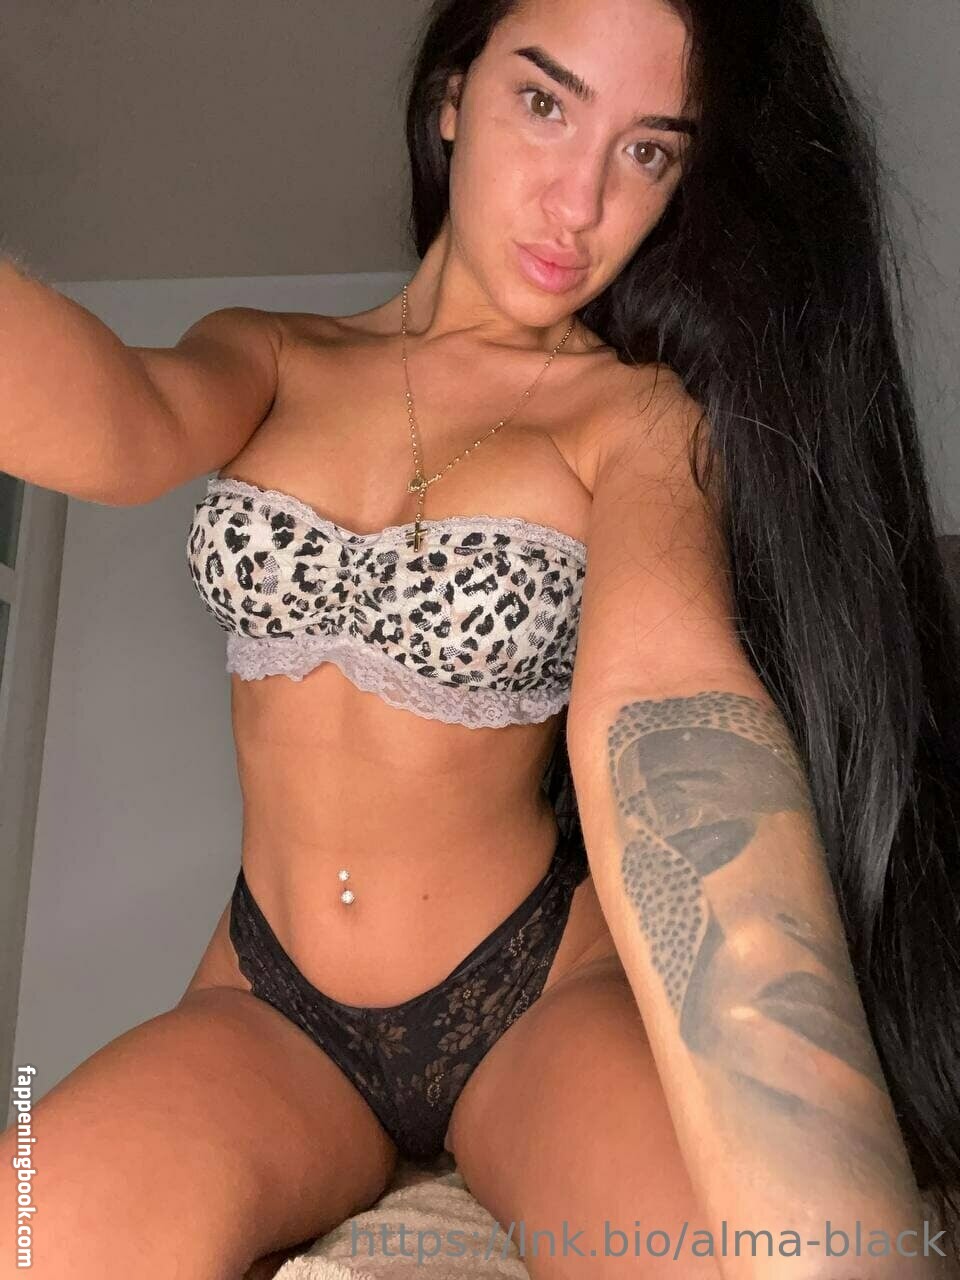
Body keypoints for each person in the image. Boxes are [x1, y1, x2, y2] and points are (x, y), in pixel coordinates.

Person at [1, 0, 958, 1276]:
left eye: (648, 151)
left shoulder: (636, 420)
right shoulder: (271, 353)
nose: (579, 202)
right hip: (266, 998)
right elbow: (117, 425)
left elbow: (671, 709)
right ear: (452, 97)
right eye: (546, 103)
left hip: (529, 995)